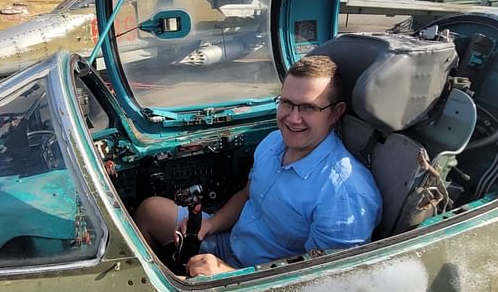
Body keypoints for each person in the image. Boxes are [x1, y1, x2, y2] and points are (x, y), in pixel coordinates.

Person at [134, 55, 382, 276]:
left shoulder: (344, 196)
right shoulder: (274, 141)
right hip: (232, 241)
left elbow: (317, 283)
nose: (293, 118)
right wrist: (211, 224)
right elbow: (247, 193)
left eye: (308, 107)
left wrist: (227, 274)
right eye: (286, 103)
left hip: (262, 279)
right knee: (150, 211)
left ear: (336, 112)